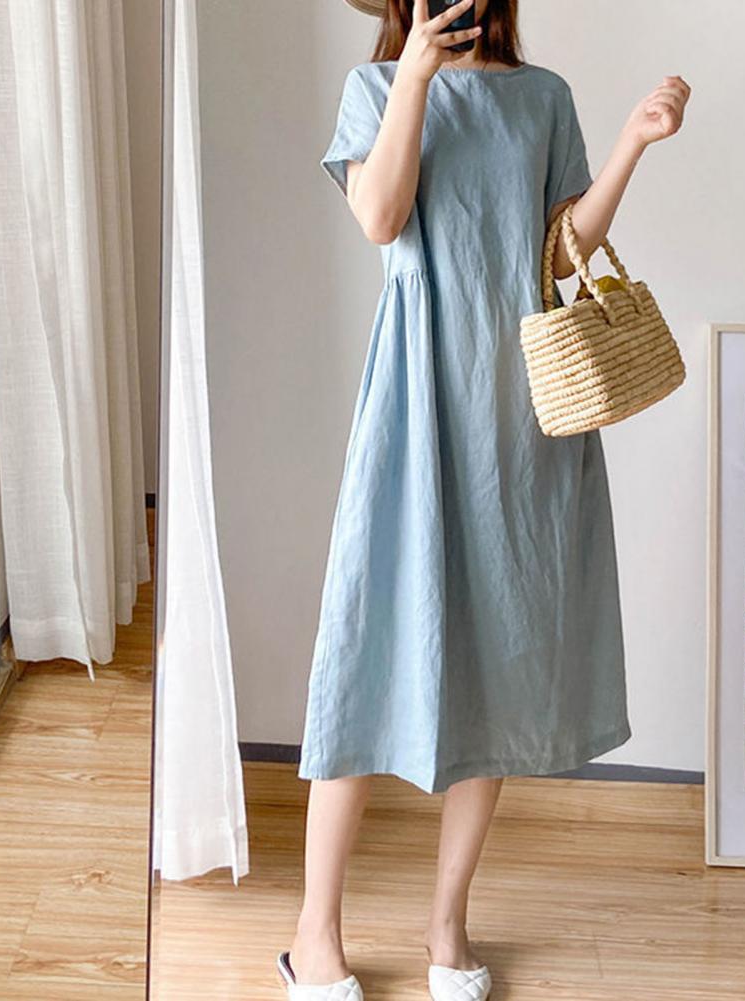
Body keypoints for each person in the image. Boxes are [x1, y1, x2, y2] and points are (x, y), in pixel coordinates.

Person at [278, 2, 689, 998]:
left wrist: (632, 144)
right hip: (416, 396)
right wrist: (416, 77)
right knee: (364, 650)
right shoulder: (376, 88)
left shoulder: (542, 97)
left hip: (517, 409)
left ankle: (446, 922)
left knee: (497, 660)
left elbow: (555, 250)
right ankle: (313, 931)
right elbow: (381, 219)